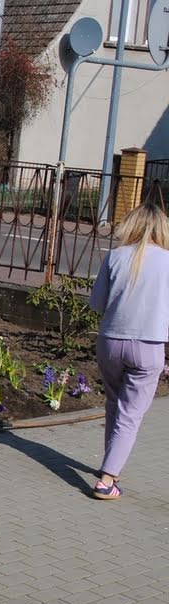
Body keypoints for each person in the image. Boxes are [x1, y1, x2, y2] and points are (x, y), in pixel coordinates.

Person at [87, 202, 169, 500]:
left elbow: (97, 304)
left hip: (110, 341)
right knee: (131, 413)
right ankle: (107, 480)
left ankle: (110, 464)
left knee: (114, 404)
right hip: (148, 345)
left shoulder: (115, 256)